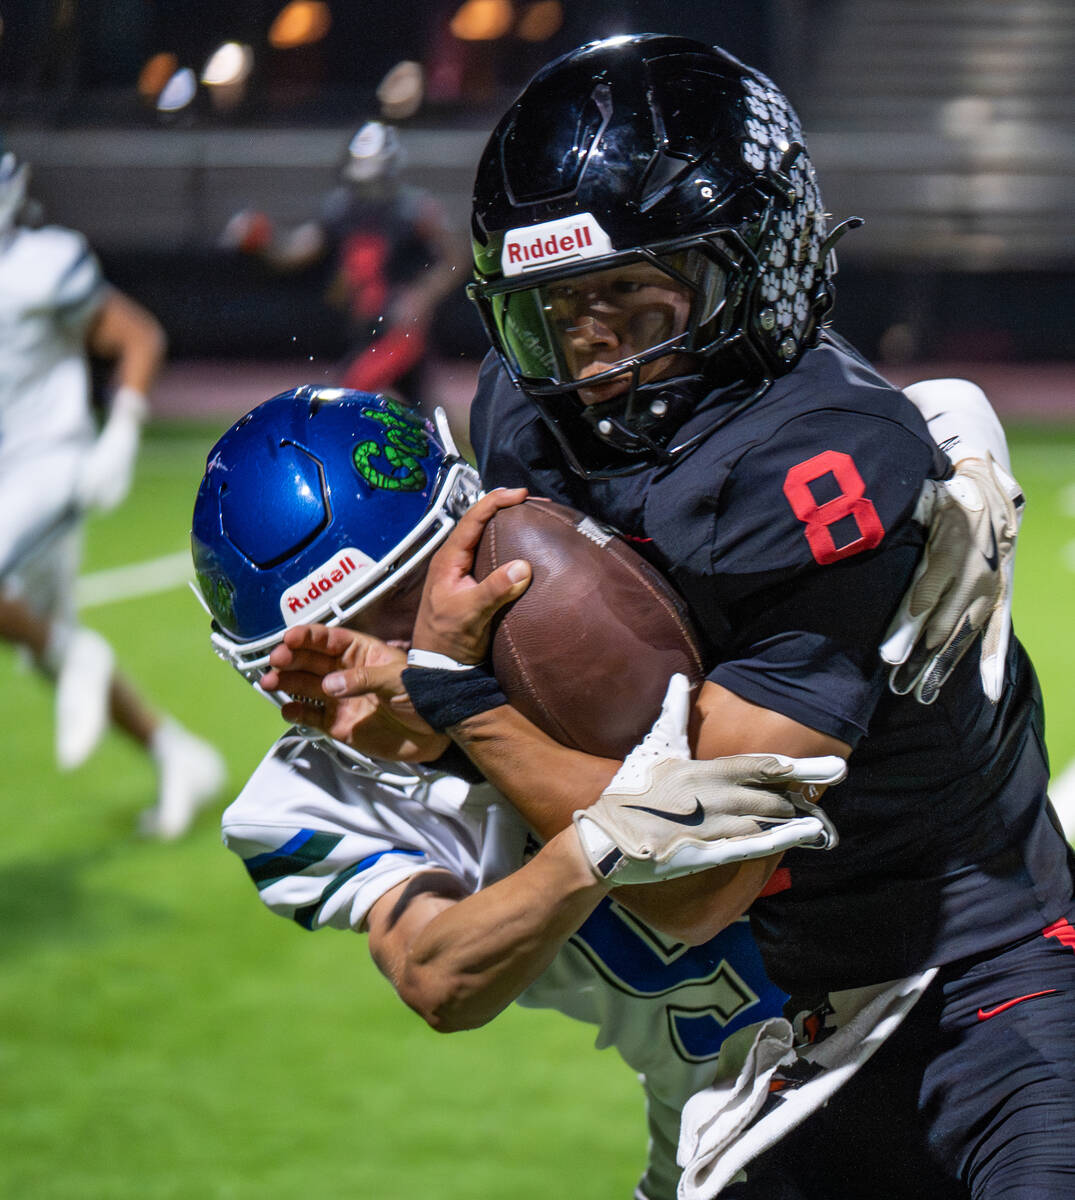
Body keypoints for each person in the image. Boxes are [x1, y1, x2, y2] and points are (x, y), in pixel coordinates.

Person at [293, 36, 1070, 1199]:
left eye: (628, 299)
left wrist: (462, 708)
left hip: (971, 967)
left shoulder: (821, 465)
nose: (593, 355)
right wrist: (436, 707)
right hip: (770, 1034)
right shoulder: (527, 410)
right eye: (556, 308)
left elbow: (703, 863)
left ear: (757, 268)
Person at [193, 386, 847, 1200]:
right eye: (310, 656)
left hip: (909, 1010)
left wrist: (945, 455)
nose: (364, 665)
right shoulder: (308, 799)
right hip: (723, 1129)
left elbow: (850, 458)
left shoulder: (599, 583)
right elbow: (440, 980)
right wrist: (594, 846)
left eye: (398, 603)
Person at [0, 146, 226, 838]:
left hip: (52, 463)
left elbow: (137, 335)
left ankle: (82, 659)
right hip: (9, 472)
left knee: (47, 638)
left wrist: (121, 431)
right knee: (44, 645)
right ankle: (176, 752)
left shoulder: (39, 262)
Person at [221, 120, 468, 413]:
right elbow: (298, 251)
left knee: (346, 398)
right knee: (428, 413)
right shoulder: (342, 209)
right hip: (366, 330)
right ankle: (466, 454)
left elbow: (456, 256)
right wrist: (263, 240)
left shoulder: (414, 210)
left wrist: (422, 294)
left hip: (399, 331)